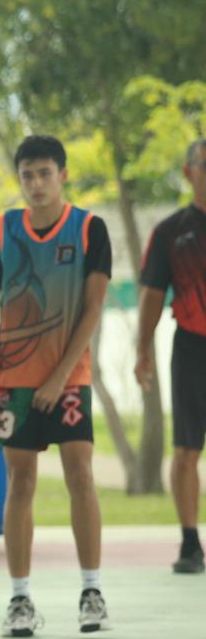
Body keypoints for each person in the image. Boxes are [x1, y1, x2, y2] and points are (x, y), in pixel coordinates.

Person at [0, 134, 113, 636]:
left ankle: (92, 591)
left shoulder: (90, 229)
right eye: (27, 175)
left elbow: (92, 310)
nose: (36, 183)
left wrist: (59, 376)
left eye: (45, 173)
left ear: (63, 175)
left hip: (70, 377)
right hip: (12, 379)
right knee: (20, 482)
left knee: (80, 475)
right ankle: (20, 599)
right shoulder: (4, 228)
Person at [136, 138, 206, 575]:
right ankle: (189, 542)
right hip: (192, 349)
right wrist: (142, 349)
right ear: (188, 172)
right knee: (185, 449)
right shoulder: (170, 232)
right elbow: (151, 297)